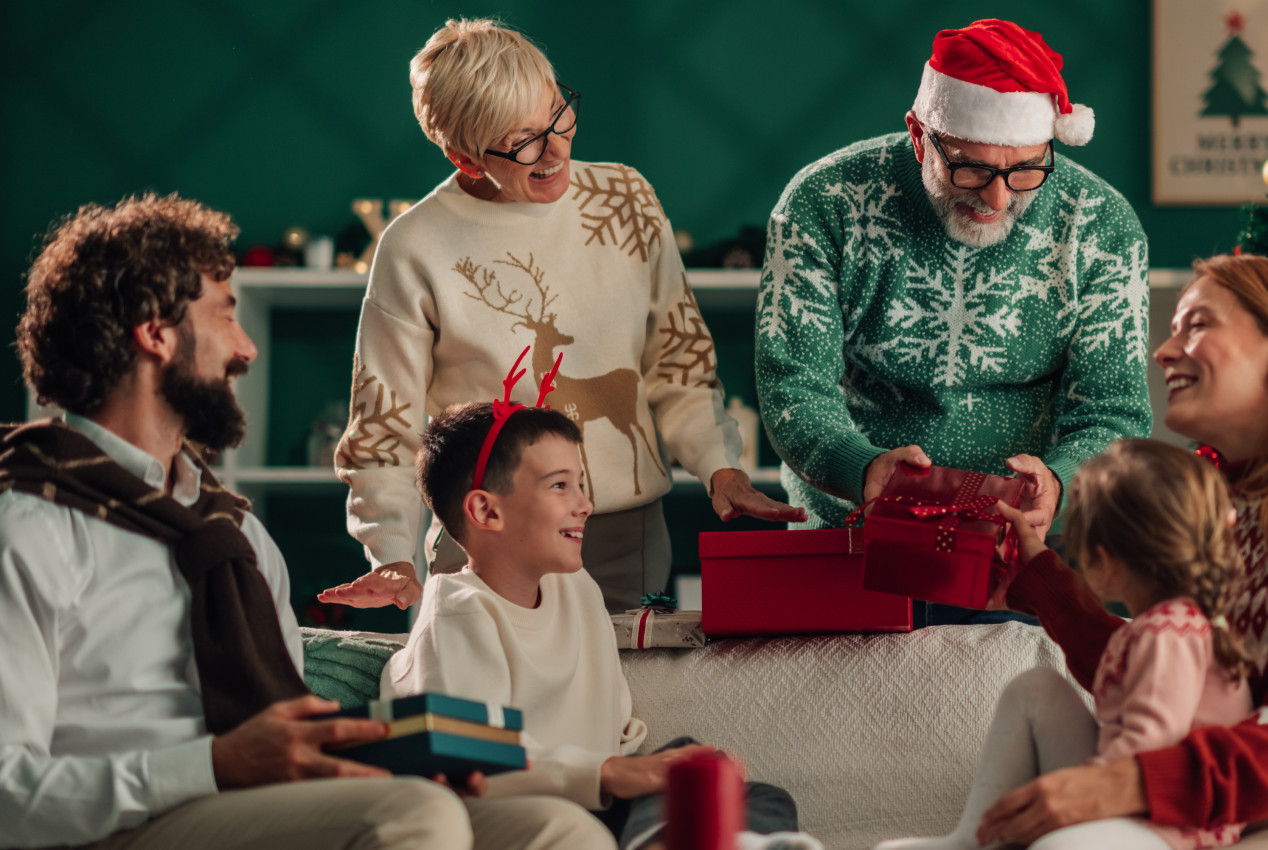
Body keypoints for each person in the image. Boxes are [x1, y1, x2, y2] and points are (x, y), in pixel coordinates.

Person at [0, 194, 607, 849]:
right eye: (225, 316)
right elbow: (9, 794)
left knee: (554, 827)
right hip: (114, 827)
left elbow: (283, 732)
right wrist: (214, 766)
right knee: (411, 816)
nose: (246, 349)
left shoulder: (236, 537)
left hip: (249, 807)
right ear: (156, 333)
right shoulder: (29, 527)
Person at [321, 18, 804, 616]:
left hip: (627, 538)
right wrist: (392, 554)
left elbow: (678, 361)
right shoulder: (413, 246)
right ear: (464, 158)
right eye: (523, 141)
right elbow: (383, 425)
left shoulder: (626, 199)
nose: (554, 151)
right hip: (487, 543)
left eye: (557, 115)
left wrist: (720, 468)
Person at [975, 255, 1268, 849]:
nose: (1163, 352)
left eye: (1196, 325)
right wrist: (1040, 580)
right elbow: (1158, 672)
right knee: (1037, 697)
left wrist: (1115, 787)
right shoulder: (1222, 511)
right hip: (1201, 818)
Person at [755, 19, 1150, 623]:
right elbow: (792, 389)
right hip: (849, 537)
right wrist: (860, 466)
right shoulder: (822, 203)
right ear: (919, 136)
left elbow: (1115, 413)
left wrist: (1061, 484)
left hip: (1025, 550)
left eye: (1025, 170)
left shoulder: (1103, 227)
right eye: (971, 170)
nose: (997, 198)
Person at [382, 397, 819, 850]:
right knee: (568, 824)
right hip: (522, 803)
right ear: (487, 511)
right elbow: (468, 763)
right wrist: (613, 772)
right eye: (559, 486)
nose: (586, 504)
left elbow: (610, 727)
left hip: (598, 797)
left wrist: (657, 769)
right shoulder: (459, 610)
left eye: (581, 484)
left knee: (755, 794)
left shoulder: (577, 590)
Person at [875, 439, 1253, 850]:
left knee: (1058, 845)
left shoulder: (1169, 635)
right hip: (1128, 792)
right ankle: (974, 838)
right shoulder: (1164, 626)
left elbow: (1143, 759)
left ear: (1105, 562)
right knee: (1036, 688)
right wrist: (1035, 570)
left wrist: (1067, 800)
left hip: (1172, 825)